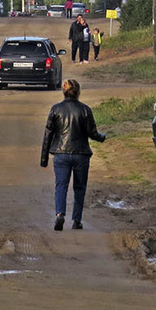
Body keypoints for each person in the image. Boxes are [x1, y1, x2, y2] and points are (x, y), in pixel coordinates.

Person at [40, 79, 106, 231]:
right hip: (81, 154)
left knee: (61, 186)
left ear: (64, 92)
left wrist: (44, 159)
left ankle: (59, 214)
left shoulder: (56, 109)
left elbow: (48, 135)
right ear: (78, 92)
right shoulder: (85, 110)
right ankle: (76, 220)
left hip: (61, 154)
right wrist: (102, 137)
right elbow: (92, 133)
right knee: (80, 188)